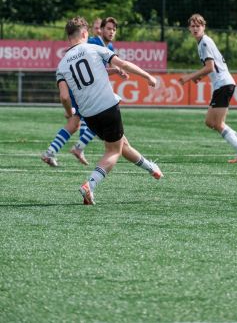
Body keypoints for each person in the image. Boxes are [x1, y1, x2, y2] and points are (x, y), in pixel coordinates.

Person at [56, 16, 163, 205]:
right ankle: (90, 184)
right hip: (107, 107)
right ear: (84, 33)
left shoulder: (62, 65)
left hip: (89, 115)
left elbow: (64, 97)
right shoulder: (94, 48)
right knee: (114, 151)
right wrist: (147, 76)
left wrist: (70, 113)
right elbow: (123, 64)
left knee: (122, 144)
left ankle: (151, 167)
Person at [41, 17, 119, 167]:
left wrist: (114, 70)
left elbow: (97, 71)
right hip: (83, 90)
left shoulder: (109, 47)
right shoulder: (93, 43)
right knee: (99, 118)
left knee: (75, 123)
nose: (110, 31)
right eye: (104, 28)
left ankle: (52, 152)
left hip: (86, 89)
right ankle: (78, 147)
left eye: (113, 29)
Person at [178, 13, 237, 163]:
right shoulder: (203, 42)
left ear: (203, 27)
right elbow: (212, 66)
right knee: (210, 122)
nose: (195, 29)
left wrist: (189, 77)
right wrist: (199, 76)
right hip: (223, 84)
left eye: (198, 26)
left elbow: (210, 67)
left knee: (217, 124)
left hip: (223, 84)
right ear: (189, 29)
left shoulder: (204, 43)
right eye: (192, 26)